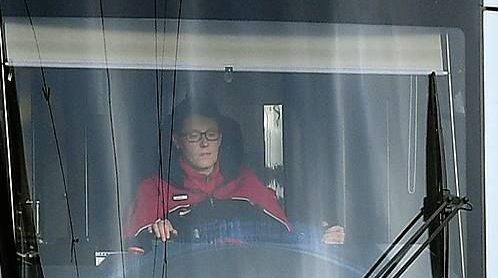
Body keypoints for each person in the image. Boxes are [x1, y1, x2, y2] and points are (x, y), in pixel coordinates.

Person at [126, 105, 346, 247]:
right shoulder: (154, 188)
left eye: (210, 135)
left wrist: (318, 237)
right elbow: (134, 248)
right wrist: (157, 232)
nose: (204, 143)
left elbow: (285, 235)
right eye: (194, 136)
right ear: (177, 141)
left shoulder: (246, 182)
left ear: (220, 139)